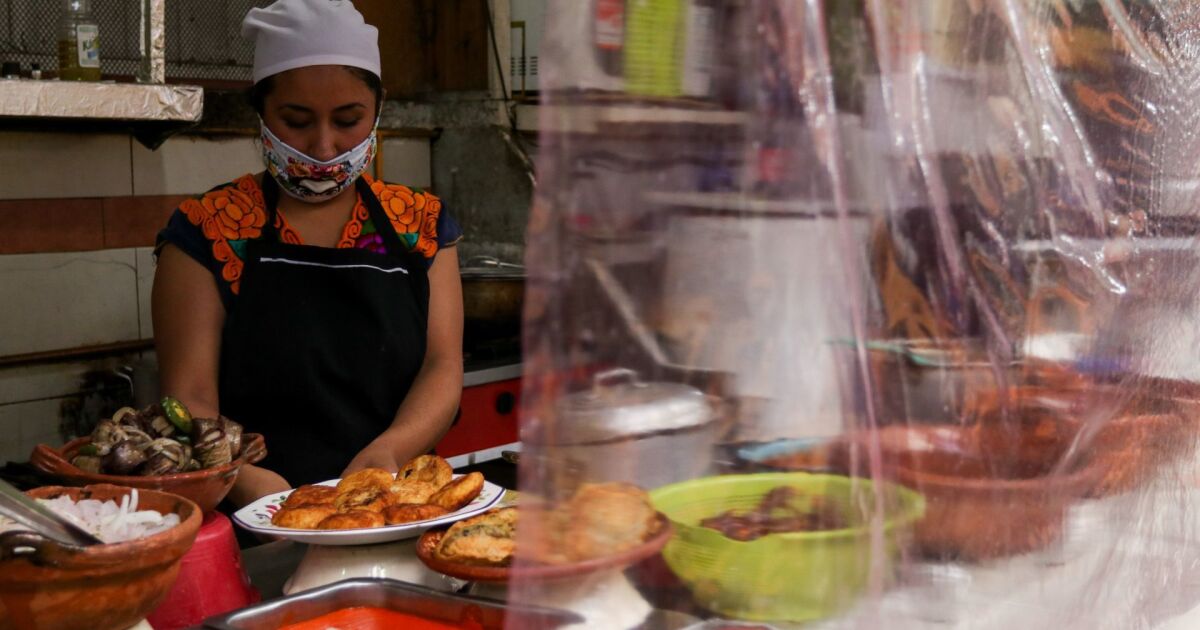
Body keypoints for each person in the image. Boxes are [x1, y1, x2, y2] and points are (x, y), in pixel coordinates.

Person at [152, 0, 463, 507]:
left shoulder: (420, 226)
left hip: (390, 504)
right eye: (296, 120)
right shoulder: (208, 230)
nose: (323, 147)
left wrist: (387, 452)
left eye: (348, 119)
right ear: (261, 112)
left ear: (378, 110)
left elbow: (442, 367)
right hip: (255, 512)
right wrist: (246, 481)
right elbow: (189, 401)